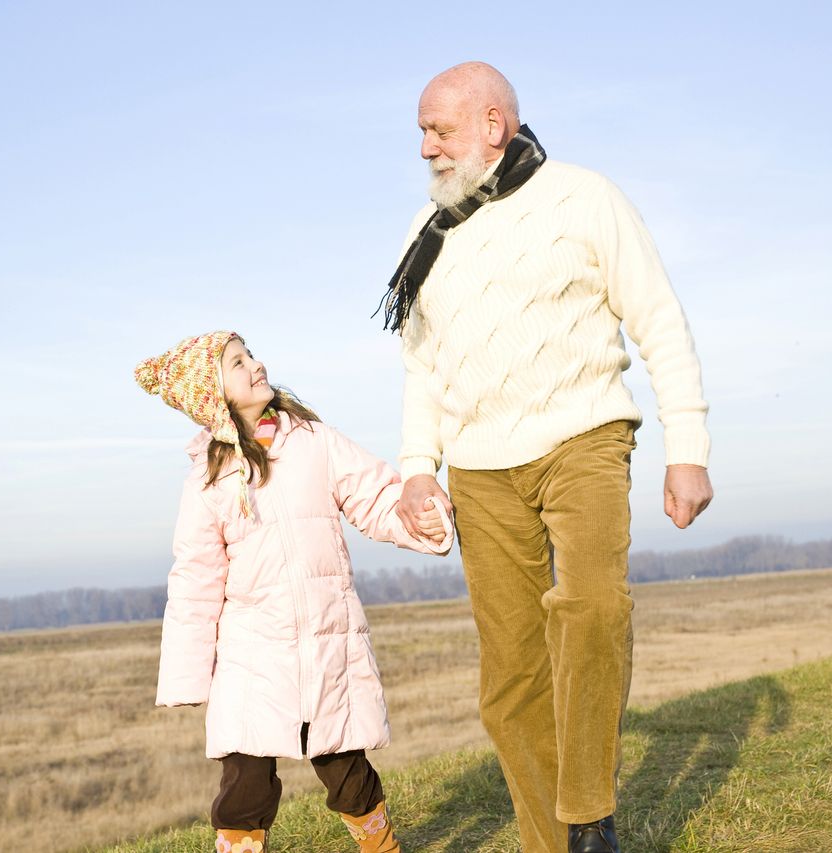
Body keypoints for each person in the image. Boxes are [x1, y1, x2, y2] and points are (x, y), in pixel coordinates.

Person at [378, 62, 714, 853]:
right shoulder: (425, 238)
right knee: (511, 676)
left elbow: (658, 319)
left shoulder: (583, 196)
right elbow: (423, 370)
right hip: (480, 467)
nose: (425, 147)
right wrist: (416, 468)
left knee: (593, 607)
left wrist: (687, 447)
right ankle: (551, 842)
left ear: (493, 126)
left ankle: (588, 809)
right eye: (422, 132)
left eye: (440, 129)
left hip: (584, 436)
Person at [135, 330, 453, 853]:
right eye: (237, 363)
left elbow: (374, 497)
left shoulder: (313, 441)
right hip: (251, 659)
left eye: (251, 354)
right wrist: (187, 676)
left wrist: (420, 520)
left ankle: (381, 845)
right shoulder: (208, 481)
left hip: (326, 643)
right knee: (244, 785)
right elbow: (195, 580)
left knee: (347, 770)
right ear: (213, 395)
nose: (256, 365)